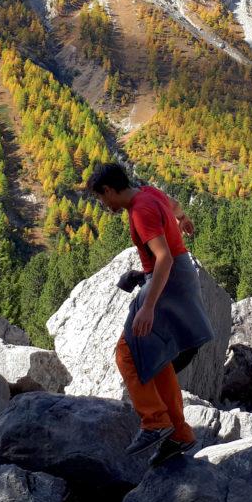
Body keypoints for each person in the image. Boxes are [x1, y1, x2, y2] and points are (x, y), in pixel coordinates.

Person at [85, 161, 215, 467]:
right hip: (179, 278)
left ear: (108, 190)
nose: (103, 205)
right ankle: (180, 432)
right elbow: (176, 206)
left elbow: (164, 258)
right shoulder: (149, 193)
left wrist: (147, 306)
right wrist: (183, 219)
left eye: (101, 199)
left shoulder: (140, 210)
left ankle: (155, 421)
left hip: (168, 281)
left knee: (127, 352)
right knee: (155, 356)